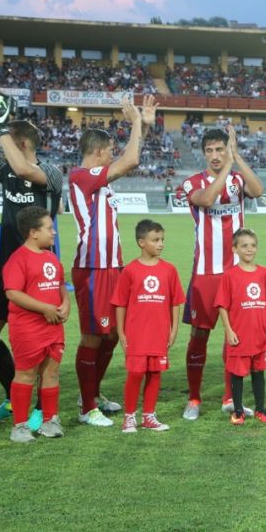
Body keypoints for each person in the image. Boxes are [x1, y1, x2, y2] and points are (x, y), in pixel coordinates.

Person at [0, 108, 64, 430]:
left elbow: (21, 166)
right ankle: (12, 396)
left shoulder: (51, 172)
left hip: (39, 272)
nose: (1, 145)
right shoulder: (6, 168)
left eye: (6, 140)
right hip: (7, 266)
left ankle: (39, 409)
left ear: (20, 142)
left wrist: (0, 127)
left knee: (42, 346)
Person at [70, 94, 158, 427]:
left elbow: (128, 158)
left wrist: (143, 127)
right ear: (97, 152)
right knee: (93, 336)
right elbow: (130, 161)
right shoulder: (81, 175)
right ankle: (85, 407)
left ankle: (91, 394)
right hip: (92, 268)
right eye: (109, 150)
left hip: (111, 267)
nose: (113, 154)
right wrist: (136, 121)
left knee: (108, 336)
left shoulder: (98, 178)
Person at [180, 125, 264, 421]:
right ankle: (193, 398)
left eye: (220, 149)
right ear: (203, 154)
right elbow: (205, 200)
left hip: (236, 275)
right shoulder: (192, 183)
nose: (215, 156)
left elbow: (258, 190)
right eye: (210, 151)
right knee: (199, 334)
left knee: (235, 337)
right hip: (205, 273)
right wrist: (227, 166)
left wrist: (237, 158)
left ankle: (230, 397)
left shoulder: (238, 180)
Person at [2, 206, 68, 442]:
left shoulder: (51, 257)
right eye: (49, 228)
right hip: (28, 328)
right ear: (33, 232)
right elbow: (13, 293)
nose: (54, 233)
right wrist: (45, 309)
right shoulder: (18, 259)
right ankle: (20, 426)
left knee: (52, 372)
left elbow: (61, 286)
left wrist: (66, 303)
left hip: (53, 328)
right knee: (26, 374)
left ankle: (50, 421)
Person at [112, 219, 185, 433]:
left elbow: (175, 302)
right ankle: (129, 417)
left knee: (155, 373)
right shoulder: (130, 270)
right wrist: (121, 333)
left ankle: (149, 416)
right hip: (136, 334)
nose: (161, 244)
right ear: (141, 242)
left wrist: (173, 330)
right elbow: (120, 303)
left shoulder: (169, 270)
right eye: (155, 240)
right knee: (135, 374)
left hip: (159, 333)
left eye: (162, 240)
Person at [216, 228, 266, 425]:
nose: (249, 249)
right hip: (240, 334)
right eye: (244, 246)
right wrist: (228, 330)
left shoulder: (264, 273)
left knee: (259, 372)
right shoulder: (230, 275)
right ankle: (238, 411)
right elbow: (222, 305)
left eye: (253, 245)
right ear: (235, 249)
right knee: (237, 373)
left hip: (260, 334)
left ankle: (261, 409)